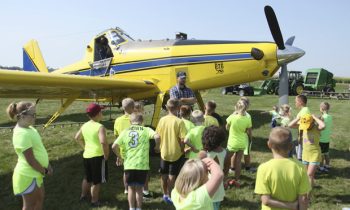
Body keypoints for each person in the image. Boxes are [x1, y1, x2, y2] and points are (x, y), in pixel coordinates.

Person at [7, 101, 53, 210]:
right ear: (22, 116)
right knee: (29, 206)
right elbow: (30, 160)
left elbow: (39, 149)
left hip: (36, 173)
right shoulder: (21, 134)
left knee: (39, 200)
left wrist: (48, 164)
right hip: (28, 175)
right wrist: (45, 171)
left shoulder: (30, 128)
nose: (35, 117)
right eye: (33, 115)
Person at [112, 113, 160, 210]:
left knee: (130, 188)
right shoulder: (146, 130)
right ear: (142, 121)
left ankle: (131, 208)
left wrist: (120, 156)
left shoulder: (125, 131)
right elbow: (157, 136)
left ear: (130, 122)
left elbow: (114, 146)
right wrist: (157, 147)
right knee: (139, 189)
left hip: (129, 164)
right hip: (142, 165)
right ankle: (138, 208)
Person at [255, 127, 310, 210]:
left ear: (269, 144)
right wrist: (292, 206)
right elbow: (303, 199)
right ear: (291, 146)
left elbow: (266, 200)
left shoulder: (263, 168)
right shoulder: (301, 167)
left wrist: (290, 206)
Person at [74, 103, 109, 206]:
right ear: (98, 114)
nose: (102, 113)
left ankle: (83, 196)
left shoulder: (85, 125)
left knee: (87, 177)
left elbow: (77, 137)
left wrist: (85, 147)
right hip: (98, 156)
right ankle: (95, 201)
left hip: (87, 155)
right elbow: (103, 142)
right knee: (96, 180)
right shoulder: (100, 126)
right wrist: (106, 154)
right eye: (101, 112)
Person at [156, 98, 187, 204]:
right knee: (172, 175)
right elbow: (183, 139)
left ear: (167, 108)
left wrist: (157, 147)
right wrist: (183, 149)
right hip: (176, 153)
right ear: (178, 108)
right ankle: (170, 195)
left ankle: (165, 194)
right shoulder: (179, 122)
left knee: (163, 174)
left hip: (164, 152)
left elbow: (158, 136)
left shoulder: (162, 120)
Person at [289, 114, 325, 187]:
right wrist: (298, 118)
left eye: (308, 125)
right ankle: (311, 184)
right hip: (305, 154)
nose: (306, 127)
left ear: (312, 122)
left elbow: (323, 126)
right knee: (306, 175)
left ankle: (308, 194)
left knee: (310, 174)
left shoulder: (316, 128)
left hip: (315, 154)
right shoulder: (303, 127)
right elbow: (290, 125)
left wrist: (314, 117)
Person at [226, 99, 252, 187]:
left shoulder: (232, 117)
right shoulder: (247, 119)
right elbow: (248, 131)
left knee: (227, 160)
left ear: (236, 107)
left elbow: (227, 127)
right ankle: (237, 178)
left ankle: (225, 177)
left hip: (232, 143)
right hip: (242, 143)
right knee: (238, 161)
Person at [201, 126, 227, 210]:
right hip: (218, 185)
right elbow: (225, 170)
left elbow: (197, 171)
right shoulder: (225, 152)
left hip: (205, 185)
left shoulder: (203, 154)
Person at [114, 98, 135, 195]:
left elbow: (116, 136)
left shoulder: (118, 120)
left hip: (123, 150)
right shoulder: (137, 119)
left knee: (126, 170)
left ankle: (126, 189)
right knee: (138, 170)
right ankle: (139, 188)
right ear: (133, 107)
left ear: (122, 107)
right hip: (136, 149)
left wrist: (118, 155)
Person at [294, 95, 311, 161]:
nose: (295, 103)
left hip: (303, 135)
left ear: (300, 102)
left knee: (301, 153)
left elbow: (304, 124)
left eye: (296, 102)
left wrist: (300, 136)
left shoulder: (305, 111)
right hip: (302, 134)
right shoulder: (304, 110)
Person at [319, 102, 333, 173]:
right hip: (327, 139)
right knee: (326, 153)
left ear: (322, 108)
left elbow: (321, 127)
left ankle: (321, 167)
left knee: (321, 154)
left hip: (321, 139)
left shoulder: (323, 117)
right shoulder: (330, 117)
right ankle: (327, 165)